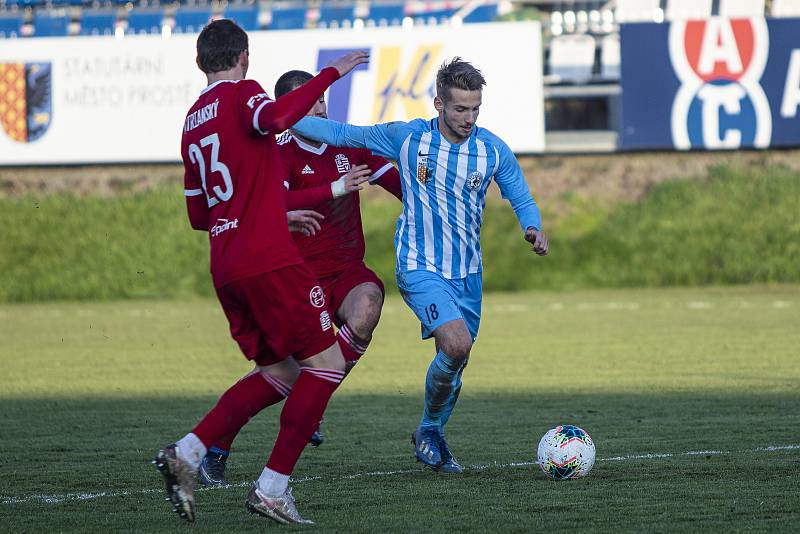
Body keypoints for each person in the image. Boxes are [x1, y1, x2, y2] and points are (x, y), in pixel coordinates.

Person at [152, 19, 368, 525]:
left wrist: (271, 212)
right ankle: (272, 487)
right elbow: (276, 117)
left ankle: (188, 451)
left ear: (198, 60)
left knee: (280, 373)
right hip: (268, 259)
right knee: (327, 364)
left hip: (227, 264)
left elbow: (199, 215)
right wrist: (331, 74)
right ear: (244, 57)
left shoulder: (191, 121)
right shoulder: (241, 95)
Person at [290, 57, 549, 474]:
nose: (468, 118)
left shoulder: (491, 149)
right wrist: (280, 118)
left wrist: (533, 226)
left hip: (467, 274)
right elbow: (340, 133)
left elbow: (519, 193)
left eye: (475, 108)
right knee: (457, 344)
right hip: (419, 267)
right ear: (438, 104)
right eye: (460, 108)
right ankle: (422, 429)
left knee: (456, 361)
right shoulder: (407, 137)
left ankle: (430, 430)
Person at [197, 69, 403, 487]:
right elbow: (274, 201)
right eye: (309, 101)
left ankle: (314, 404)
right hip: (296, 279)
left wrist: (434, 202)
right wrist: (335, 189)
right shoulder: (277, 152)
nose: (319, 107)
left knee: (367, 305)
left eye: (322, 99)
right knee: (281, 374)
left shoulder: (349, 145)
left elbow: (393, 180)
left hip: (346, 272)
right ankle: (216, 447)